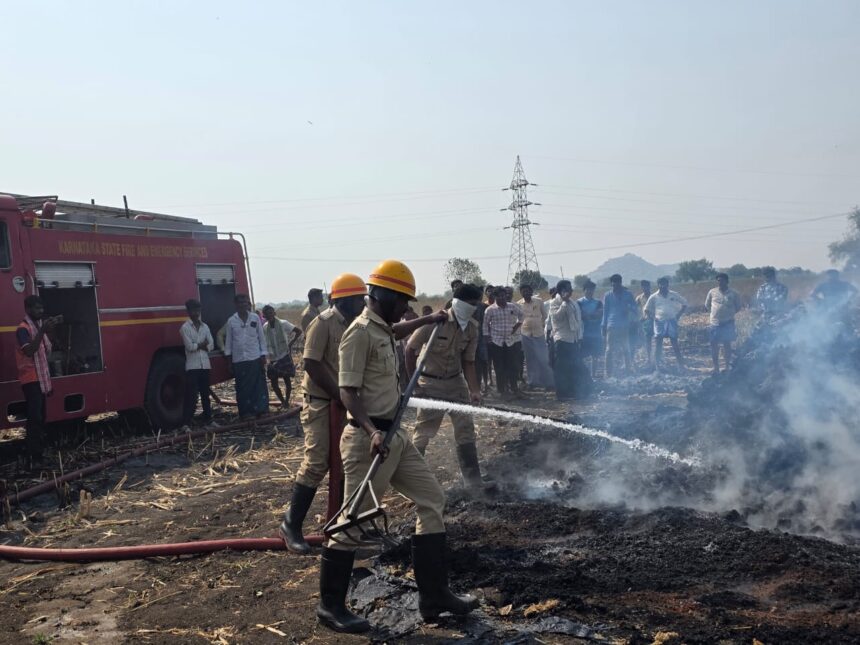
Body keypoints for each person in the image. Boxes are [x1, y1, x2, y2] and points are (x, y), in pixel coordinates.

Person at [317, 259, 476, 633]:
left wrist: (426, 320)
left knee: (432, 499)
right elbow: (347, 391)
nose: (405, 308)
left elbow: (395, 328)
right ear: (383, 295)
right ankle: (330, 607)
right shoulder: (357, 334)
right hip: (369, 441)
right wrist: (372, 430)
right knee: (353, 523)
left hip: (396, 438)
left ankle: (434, 596)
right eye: (402, 301)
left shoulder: (382, 327)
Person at [279, 273, 368, 555]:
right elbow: (312, 364)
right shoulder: (323, 324)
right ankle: (291, 525)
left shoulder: (358, 323)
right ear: (345, 300)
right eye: (358, 299)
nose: (362, 303)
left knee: (347, 460)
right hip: (321, 403)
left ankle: (342, 525)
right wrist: (337, 394)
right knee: (317, 461)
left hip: (344, 403)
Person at [407, 283, 488, 490]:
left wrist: (475, 390)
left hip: (456, 383)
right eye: (471, 304)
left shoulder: (472, 328)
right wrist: (414, 386)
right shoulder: (435, 322)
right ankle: (413, 482)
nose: (475, 308)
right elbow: (410, 350)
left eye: (477, 304)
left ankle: (473, 482)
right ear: (459, 302)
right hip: (429, 384)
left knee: (466, 429)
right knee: (423, 433)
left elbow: (469, 362)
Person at [16, 296, 58, 465]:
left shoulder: (37, 326)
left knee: (41, 417)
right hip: (30, 379)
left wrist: (49, 330)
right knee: (34, 418)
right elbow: (29, 351)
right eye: (36, 308)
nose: (40, 311)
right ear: (27, 309)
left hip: (40, 379)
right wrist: (42, 331)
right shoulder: (23, 329)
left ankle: (37, 451)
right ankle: (34, 455)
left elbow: (48, 348)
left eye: (41, 308)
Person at [224, 293, 268, 419]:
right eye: (240, 302)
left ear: (248, 303)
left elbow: (261, 337)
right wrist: (229, 362)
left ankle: (261, 410)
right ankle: (246, 413)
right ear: (236, 305)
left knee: (258, 385)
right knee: (243, 387)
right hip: (239, 359)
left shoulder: (255, 318)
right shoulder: (231, 321)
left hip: (255, 357)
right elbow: (229, 343)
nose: (243, 304)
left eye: (245, 302)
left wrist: (263, 355)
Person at [482, 286, 524, 398]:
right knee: (499, 367)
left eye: (504, 295)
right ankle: (502, 390)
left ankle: (514, 388)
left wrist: (517, 326)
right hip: (496, 342)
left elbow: (522, 315)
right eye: (499, 296)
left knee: (513, 366)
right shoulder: (490, 310)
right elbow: (485, 325)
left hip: (510, 341)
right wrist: (487, 338)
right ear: (495, 297)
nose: (502, 298)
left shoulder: (512, 306)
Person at [548, 280, 585, 400]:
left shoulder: (573, 303)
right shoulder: (555, 302)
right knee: (561, 369)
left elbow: (578, 321)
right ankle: (561, 394)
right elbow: (557, 318)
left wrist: (579, 337)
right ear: (562, 291)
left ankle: (571, 391)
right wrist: (564, 303)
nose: (571, 291)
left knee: (572, 367)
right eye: (569, 289)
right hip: (562, 339)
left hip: (573, 339)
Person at [180, 299, 215, 427]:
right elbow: (190, 347)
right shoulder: (184, 328)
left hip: (205, 365)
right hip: (192, 366)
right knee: (191, 395)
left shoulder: (205, 326)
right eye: (193, 310)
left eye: (197, 310)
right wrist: (202, 344)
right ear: (188, 311)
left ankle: (208, 419)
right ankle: (186, 423)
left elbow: (211, 345)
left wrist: (200, 345)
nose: (195, 313)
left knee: (205, 394)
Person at [262, 305, 302, 407]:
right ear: (264, 316)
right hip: (273, 357)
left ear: (274, 313)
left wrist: (291, 343)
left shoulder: (283, 324)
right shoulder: (264, 327)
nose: (270, 315)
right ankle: (282, 401)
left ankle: (287, 400)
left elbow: (298, 331)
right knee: (274, 383)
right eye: (267, 314)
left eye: (271, 313)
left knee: (287, 380)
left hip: (284, 354)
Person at [644, 277, 687, 371]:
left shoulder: (673, 294)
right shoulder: (654, 296)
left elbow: (685, 303)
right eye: (661, 284)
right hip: (659, 322)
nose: (662, 286)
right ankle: (657, 367)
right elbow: (646, 310)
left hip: (672, 321)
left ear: (668, 285)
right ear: (658, 285)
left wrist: (678, 315)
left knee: (674, 343)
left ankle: (681, 366)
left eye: (664, 284)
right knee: (658, 344)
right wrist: (653, 318)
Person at [516, 284, 554, 389]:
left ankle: (548, 381)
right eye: (524, 291)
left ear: (531, 292)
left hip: (539, 333)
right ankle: (533, 381)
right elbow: (518, 319)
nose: (526, 293)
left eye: (528, 291)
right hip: (525, 334)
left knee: (543, 358)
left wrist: (541, 325)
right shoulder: (518, 304)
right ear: (521, 292)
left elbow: (545, 316)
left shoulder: (539, 301)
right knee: (530, 359)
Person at [705, 273, 742, 374]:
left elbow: (738, 307)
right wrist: (716, 314)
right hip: (715, 323)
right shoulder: (712, 292)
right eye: (718, 280)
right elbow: (707, 305)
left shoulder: (734, 293)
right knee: (714, 345)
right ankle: (716, 367)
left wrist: (728, 314)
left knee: (727, 345)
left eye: (722, 280)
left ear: (727, 281)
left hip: (728, 323)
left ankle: (727, 367)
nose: (720, 282)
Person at [602, 274, 637, 377]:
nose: (615, 285)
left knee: (626, 349)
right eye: (613, 284)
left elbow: (635, 309)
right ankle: (608, 373)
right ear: (611, 284)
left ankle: (628, 371)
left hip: (624, 326)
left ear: (621, 283)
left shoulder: (628, 294)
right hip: (611, 326)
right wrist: (603, 326)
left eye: (617, 283)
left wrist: (629, 307)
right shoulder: (607, 295)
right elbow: (605, 312)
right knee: (609, 350)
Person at [577, 280, 604, 378]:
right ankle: (584, 376)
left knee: (595, 356)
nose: (590, 291)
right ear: (584, 290)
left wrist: (588, 315)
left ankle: (593, 376)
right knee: (581, 356)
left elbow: (599, 314)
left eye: (592, 290)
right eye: (588, 289)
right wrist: (591, 315)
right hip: (583, 333)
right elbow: (580, 315)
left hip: (596, 333)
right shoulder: (579, 302)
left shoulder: (598, 302)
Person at [633, 280, 653, 366]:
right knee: (647, 340)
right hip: (645, 321)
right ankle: (649, 359)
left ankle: (657, 358)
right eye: (643, 287)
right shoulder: (639, 298)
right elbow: (634, 309)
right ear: (642, 287)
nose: (645, 288)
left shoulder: (654, 297)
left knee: (656, 340)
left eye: (647, 286)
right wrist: (637, 319)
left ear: (649, 287)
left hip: (655, 320)